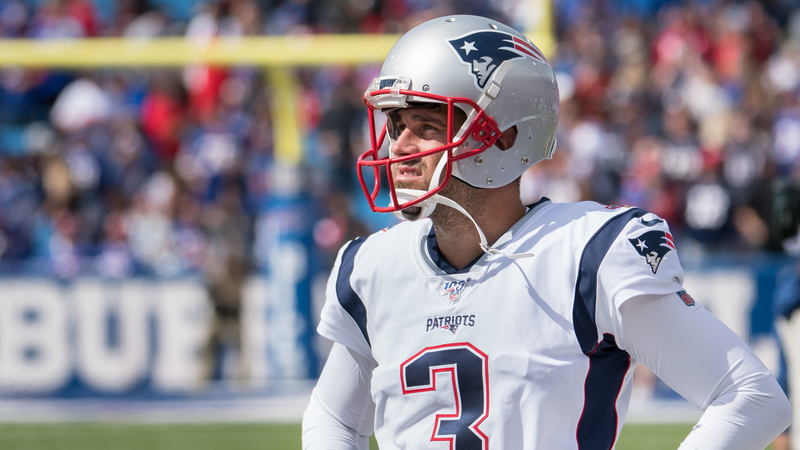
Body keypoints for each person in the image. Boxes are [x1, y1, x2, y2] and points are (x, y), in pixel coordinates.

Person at [302, 15, 792, 450]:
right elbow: (334, 419)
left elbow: (750, 397)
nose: (397, 146)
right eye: (395, 123)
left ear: (505, 136)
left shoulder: (587, 253)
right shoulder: (372, 266)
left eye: (426, 125)